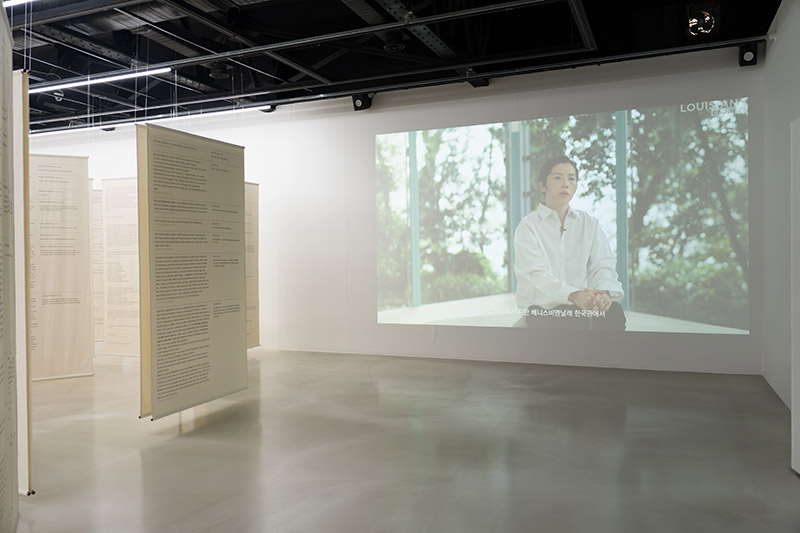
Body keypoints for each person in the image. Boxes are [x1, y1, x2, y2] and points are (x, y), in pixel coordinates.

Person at [513, 155, 626, 330]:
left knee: (613, 313)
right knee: (572, 320)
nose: (565, 183)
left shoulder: (589, 223)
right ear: (542, 185)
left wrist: (602, 294)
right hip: (542, 307)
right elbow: (536, 273)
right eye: (558, 177)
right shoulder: (528, 226)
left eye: (571, 179)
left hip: (578, 306)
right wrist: (573, 295)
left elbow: (603, 265)